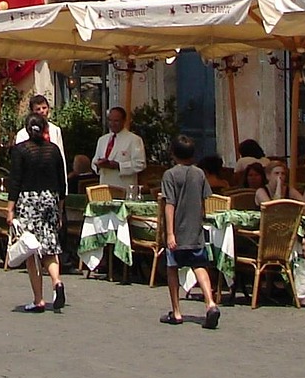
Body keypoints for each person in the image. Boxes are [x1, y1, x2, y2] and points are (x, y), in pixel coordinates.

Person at [7, 109, 70, 313]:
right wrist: (61, 208)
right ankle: (57, 281)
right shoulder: (53, 150)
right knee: (49, 246)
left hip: (28, 201)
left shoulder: (20, 150)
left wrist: (10, 210)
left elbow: (14, 182)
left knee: (31, 250)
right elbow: (61, 181)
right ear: (45, 129)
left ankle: (38, 299)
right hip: (50, 199)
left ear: (27, 129)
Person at [159, 134, 220, 329]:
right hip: (195, 230)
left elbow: (170, 204)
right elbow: (204, 202)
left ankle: (176, 311)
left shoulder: (170, 175)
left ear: (173, 153)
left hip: (177, 229)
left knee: (172, 268)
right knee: (199, 265)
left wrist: (169, 233)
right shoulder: (199, 174)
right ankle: (210, 303)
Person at [91, 105, 146, 196]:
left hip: (124, 187)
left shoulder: (134, 140)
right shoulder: (102, 140)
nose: (112, 124)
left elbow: (140, 164)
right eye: (110, 120)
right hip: (105, 187)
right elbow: (94, 161)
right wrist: (98, 165)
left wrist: (119, 166)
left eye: (116, 121)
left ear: (124, 121)